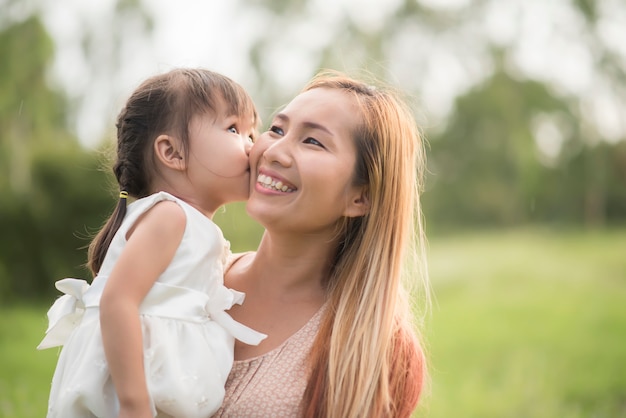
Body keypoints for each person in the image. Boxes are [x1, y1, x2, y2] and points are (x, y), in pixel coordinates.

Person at [37, 68, 267, 418]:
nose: (253, 145)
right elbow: (118, 300)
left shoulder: (189, 224)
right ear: (173, 153)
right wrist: (134, 402)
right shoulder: (170, 217)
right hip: (130, 393)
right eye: (235, 129)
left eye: (253, 132)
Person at [213, 70, 429, 418]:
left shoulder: (373, 347)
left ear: (361, 197)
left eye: (312, 141)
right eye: (278, 129)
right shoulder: (186, 271)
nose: (275, 152)